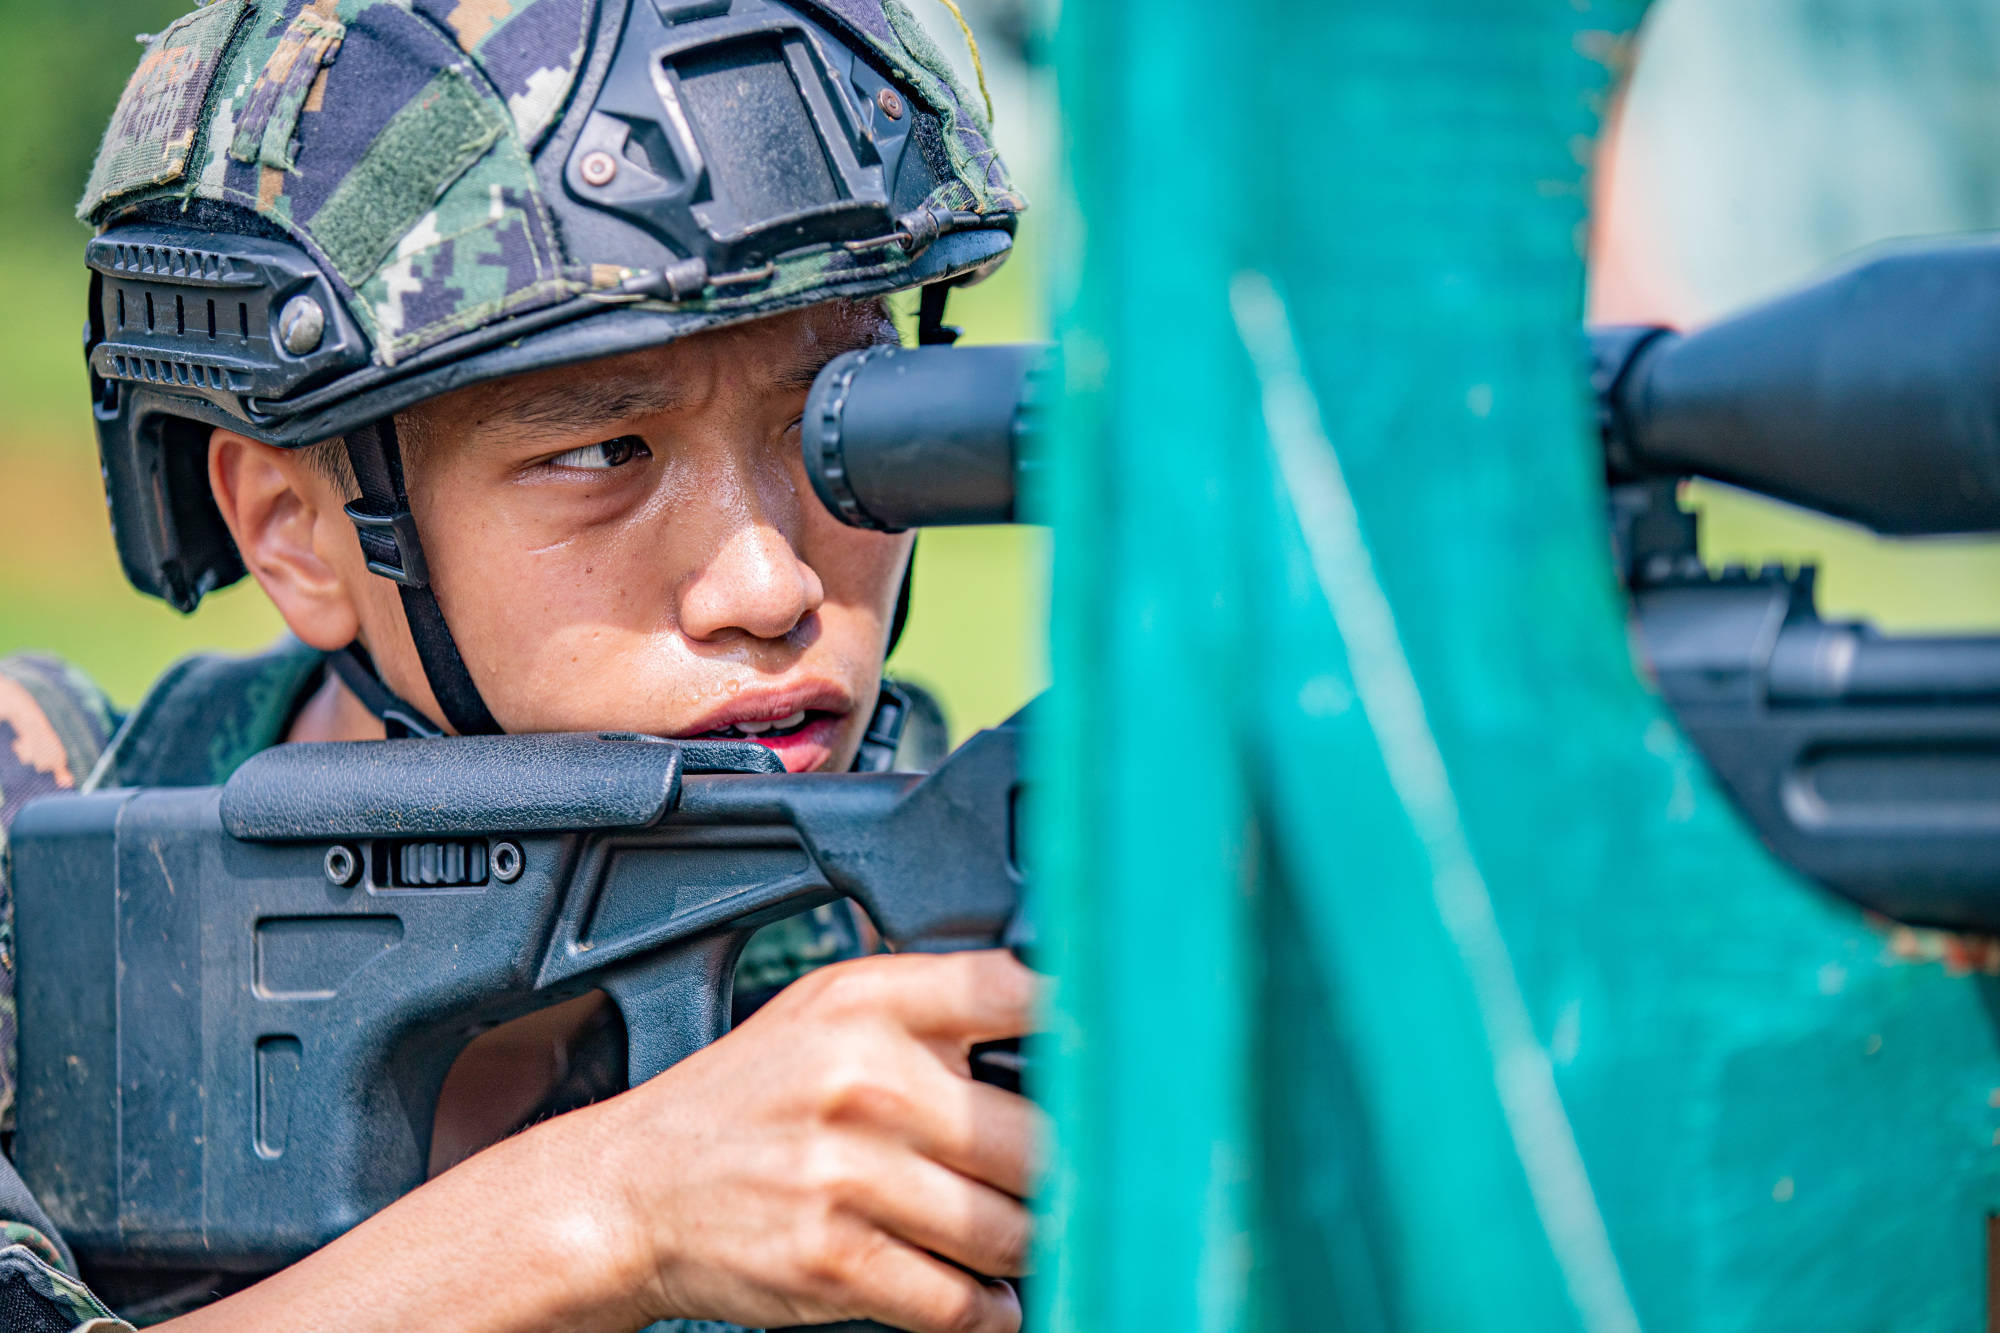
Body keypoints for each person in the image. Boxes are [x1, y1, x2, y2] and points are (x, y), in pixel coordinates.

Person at [0, 0, 1040, 1329]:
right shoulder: (36, 838)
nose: (770, 583)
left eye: (832, 423)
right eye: (607, 451)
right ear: (296, 529)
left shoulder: (938, 920)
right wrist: (617, 1211)